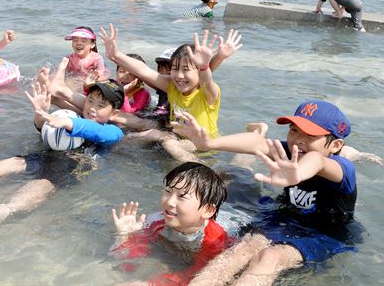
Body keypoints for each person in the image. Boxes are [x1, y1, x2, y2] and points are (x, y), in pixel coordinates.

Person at [174, 101, 361, 286]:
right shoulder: (292, 151)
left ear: (336, 145)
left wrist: (299, 173)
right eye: (294, 130)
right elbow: (257, 143)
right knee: (246, 247)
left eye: (311, 134)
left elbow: (317, 160)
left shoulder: (342, 169)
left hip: (324, 233)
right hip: (286, 218)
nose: (298, 139)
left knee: (270, 257)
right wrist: (210, 143)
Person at [0, 75, 124, 224]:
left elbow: (97, 132)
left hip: (75, 167)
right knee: (13, 162)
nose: (92, 107)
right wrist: (41, 114)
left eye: (101, 105)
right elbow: (44, 130)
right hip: (51, 155)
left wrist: (66, 122)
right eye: (90, 101)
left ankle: (2, 211)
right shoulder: (76, 117)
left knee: (43, 183)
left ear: (114, 112)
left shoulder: (114, 131)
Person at [110, 162, 230, 285]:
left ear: (207, 210)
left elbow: (199, 277)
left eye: (182, 196)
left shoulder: (215, 240)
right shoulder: (156, 221)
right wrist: (127, 235)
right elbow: (128, 263)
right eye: (168, 191)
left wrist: (151, 283)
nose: (170, 202)